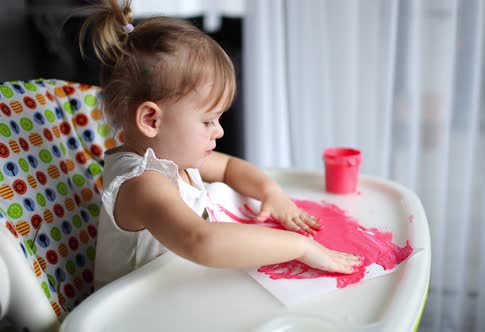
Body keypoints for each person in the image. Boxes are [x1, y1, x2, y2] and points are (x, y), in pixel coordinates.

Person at [79, 0, 361, 290]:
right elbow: (201, 240)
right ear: (151, 120)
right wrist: (300, 247)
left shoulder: (174, 157)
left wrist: (271, 193)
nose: (220, 131)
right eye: (208, 121)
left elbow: (228, 167)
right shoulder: (142, 182)